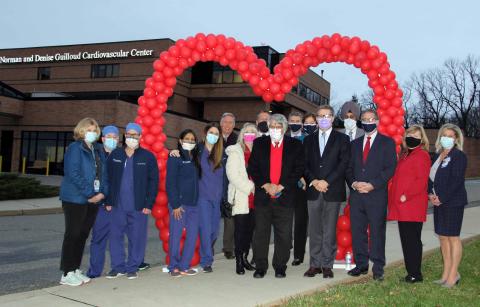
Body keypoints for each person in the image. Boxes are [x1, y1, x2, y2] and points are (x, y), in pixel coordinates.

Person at [248, 114, 304, 278]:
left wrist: (281, 185)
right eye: (272, 126)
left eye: (278, 126)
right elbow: (253, 168)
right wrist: (266, 185)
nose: (274, 129)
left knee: (284, 235)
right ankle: (260, 266)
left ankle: (280, 266)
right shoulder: (259, 143)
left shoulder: (295, 145)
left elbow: (298, 169)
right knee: (261, 234)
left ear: (284, 128)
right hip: (263, 196)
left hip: (285, 197)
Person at [346, 109, 397, 281]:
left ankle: (378, 267)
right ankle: (361, 264)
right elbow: (348, 168)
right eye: (364, 119)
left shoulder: (387, 143)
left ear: (377, 121)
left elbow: (390, 168)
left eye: (371, 119)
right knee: (357, 231)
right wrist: (353, 183)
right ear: (361, 122)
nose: (368, 122)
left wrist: (372, 185)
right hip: (357, 195)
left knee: (376, 232)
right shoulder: (354, 144)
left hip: (376, 195)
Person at [105, 123, 159, 280]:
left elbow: (153, 182)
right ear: (125, 136)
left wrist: (149, 204)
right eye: (129, 134)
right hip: (117, 205)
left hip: (139, 206)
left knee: (137, 237)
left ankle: (132, 266)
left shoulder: (147, 157)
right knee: (115, 236)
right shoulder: (115, 154)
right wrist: (108, 199)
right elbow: (107, 178)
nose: (132, 138)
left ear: (140, 137)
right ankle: (117, 266)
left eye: (135, 135)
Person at [59, 118, 108, 286]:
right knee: (72, 234)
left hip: (93, 199)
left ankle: (75, 268)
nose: (92, 133)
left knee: (82, 234)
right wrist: (89, 194)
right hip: (75, 198)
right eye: (89, 129)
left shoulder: (97, 149)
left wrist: (102, 193)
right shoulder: (75, 148)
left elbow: (103, 173)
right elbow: (73, 173)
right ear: (81, 130)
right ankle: (66, 273)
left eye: (95, 130)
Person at [303, 105, 350, 278]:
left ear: (332, 118)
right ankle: (314, 264)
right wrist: (314, 181)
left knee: (329, 229)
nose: (324, 118)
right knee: (314, 229)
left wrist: (326, 181)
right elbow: (304, 164)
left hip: (332, 189)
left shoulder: (342, 139)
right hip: (314, 189)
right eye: (321, 116)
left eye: (327, 116)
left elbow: (343, 163)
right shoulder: (308, 140)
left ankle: (327, 265)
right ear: (316, 118)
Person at [387, 125, 431, 283]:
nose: (412, 136)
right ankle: (411, 272)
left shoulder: (422, 155)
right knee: (407, 240)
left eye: (416, 135)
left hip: (411, 205)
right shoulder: (405, 154)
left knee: (412, 240)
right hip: (402, 205)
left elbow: (421, 181)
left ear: (421, 139)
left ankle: (415, 274)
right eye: (410, 134)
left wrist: (407, 195)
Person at [428, 124, 468, 288]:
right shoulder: (437, 155)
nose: (447, 138)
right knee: (443, 237)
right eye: (444, 135)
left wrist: (442, 198)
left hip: (453, 202)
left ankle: (453, 275)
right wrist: (430, 194)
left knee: (452, 237)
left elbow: (456, 181)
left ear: (456, 139)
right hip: (438, 202)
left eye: (451, 136)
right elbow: (430, 178)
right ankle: (446, 273)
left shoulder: (459, 156)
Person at [166, 129, 201, 277]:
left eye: (193, 140)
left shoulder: (196, 157)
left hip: (194, 204)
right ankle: (173, 266)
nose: (190, 142)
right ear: (180, 141)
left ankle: (184, 265)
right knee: (176, 235)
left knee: (192, 235)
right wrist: (175, 204)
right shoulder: (175, 157)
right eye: (187, 139)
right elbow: (170, 182)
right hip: (179, 204)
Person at [87, 125, 119, 279]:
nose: (112, 139)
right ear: (103, 138)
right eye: (109, 136)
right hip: (100, 202)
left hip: (118, 204)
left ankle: (117, 268)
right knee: (99, 238)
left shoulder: (121, 154)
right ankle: (94, 271)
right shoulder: (95, 153)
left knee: (117, 238)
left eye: (115, 137)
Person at [225, 123, 258, 275]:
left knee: (249, 231)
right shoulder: (235, 151)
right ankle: (238, 261)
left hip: (257, 198)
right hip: (241, 195)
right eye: (247, 132)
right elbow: (232, 175)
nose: (250, 134)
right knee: (240, 231)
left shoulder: (259, 150)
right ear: (242, 134)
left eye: (253, 132)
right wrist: (250, 187)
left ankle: (245, 258)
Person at [198, 123, 226, 273]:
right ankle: (206, 261)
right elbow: (183, 153)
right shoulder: (197, 151)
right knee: (206, 229)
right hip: (202, 197)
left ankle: (207, 252)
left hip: (217, 198)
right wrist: (175, 151)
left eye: (216, 134)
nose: (213, 136)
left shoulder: (220, 154)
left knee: (214, 231)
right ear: (205, 134)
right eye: (211, 132)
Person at [288, 111, 309, 267]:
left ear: (301, 123)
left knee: (301, 222)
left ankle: (298, 255)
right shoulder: (283, 138)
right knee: (284, 221)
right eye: (292, 120)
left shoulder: (307, 140)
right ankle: (284, 250)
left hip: (302, 186)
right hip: (286, 185)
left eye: (297, 121)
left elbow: (308, 162)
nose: (295, 123)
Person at [220, 112, 238, 260]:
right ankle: (207, 248)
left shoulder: (237, 140)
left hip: (231, 184)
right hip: (214, 183)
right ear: (220, 123)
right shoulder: (213, 137)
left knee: (230, 218)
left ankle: (228, 248)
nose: (227, 125)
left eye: (230, 123)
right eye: (225, 122)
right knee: (211, 219)